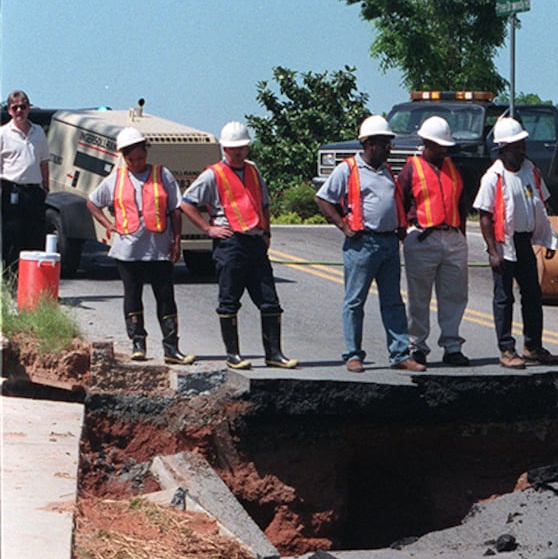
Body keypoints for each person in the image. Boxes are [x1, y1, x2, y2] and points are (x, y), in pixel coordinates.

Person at [180, 121, 296, 369]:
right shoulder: (213, 174)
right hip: (230, 243)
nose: (238, 152)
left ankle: (273, 353)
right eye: (233, 148)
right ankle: (233, 355)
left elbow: (264, 204)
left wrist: (266, 233)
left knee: (269, 301)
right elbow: (186, 203)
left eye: (242, 147)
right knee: (229, 300)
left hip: (255, 240)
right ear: (224, 148)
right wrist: (207, 228)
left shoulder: (253, 170)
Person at [315, 115, 420, 373]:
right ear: (370, 143)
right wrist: (342, 225)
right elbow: (323, 198)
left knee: (393, 301)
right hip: (362, 244)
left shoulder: (386, 171)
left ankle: (399, 354)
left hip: (388, 243)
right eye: (385, 143)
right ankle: (353, 355)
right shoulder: (348, 169)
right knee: (354, 301)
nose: (389, 148)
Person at [85, 126, 193, 364]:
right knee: (132, 294)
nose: (137, 163)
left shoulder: (162, 175)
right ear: (124, 158)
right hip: (128, 249)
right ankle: (138, 344)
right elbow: (92, 202)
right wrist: (107, 224)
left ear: (147, 152)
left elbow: (175, 211)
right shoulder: (116, 179)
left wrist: (176, 241)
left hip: (159, 248)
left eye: (141, 158)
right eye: (131, 160)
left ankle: (171, 347)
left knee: (165, 296)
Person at [476, 116, 558, 369]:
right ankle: (506, 348)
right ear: (503, 148)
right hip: (503, 243)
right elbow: (484, 216)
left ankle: (533, 345)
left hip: (525, 242)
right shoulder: (493, 176)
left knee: (532, 294)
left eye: (523, 144)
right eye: (516, 146)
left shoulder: (530, 169)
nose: (522, 149)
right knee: (504, 298)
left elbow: (540, 205)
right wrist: (493, 251)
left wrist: (546, 239)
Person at [400, 116, 471, 366]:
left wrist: (460, 234)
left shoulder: (452, 167)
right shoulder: (412, 168)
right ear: (425, 142)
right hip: (423, 237)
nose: (443, 150)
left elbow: (461, 203)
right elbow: (400, 200)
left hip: (451, 237)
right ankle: (416, 346)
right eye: (438, 145)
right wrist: (406, 233)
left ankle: (452, 346)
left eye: (445, 146)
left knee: (454, 295)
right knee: (419, 297)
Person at [1, 89, 49, 280]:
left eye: (23, 106)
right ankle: (11, 283)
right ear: (10, 111)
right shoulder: (3, 133)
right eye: (15, 107)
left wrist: (46, 187)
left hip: (34, 192)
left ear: (29, 107)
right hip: (10, 190)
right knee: (13, 239)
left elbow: (44, 161)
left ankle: (32, 283)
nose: (20, 110)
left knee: (35, 238)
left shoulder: (38, 132)